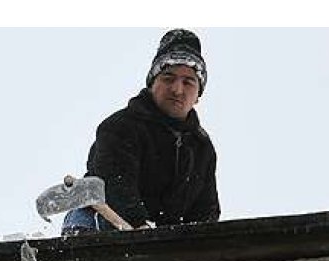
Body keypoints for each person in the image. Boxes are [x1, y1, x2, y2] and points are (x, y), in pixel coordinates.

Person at [62, 29, 220, 235]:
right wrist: (141, 228)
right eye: (168, 78)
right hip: (99, 227)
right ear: (152, 83)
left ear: (198, 94)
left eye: (188, 82)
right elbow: (116, 186)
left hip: (158, 243)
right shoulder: (120, 127)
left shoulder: (202, 148)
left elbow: (205, 213)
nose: (177, 89)